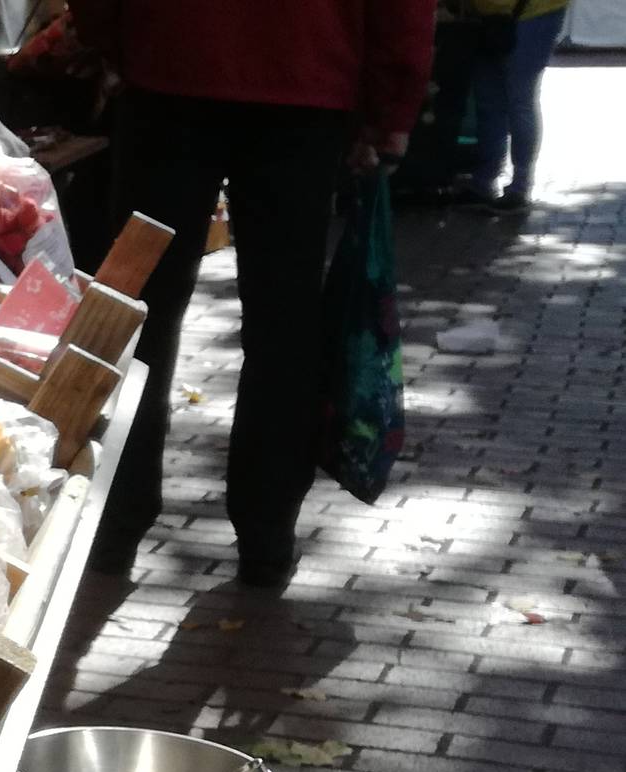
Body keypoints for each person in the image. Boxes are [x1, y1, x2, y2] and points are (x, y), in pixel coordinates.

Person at [71, 0, 435, 588]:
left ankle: (115, 519)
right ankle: (266, 533)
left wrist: (116, 43)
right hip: (304, 86)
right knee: (284, 325)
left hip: (172, 71)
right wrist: (390, 110)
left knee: (141, 315)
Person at [470, 0, 566, 212]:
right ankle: (486, 180)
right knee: (491, 101)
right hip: (489, 14)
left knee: (519, 99)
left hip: (533, 12)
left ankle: (520, 186)